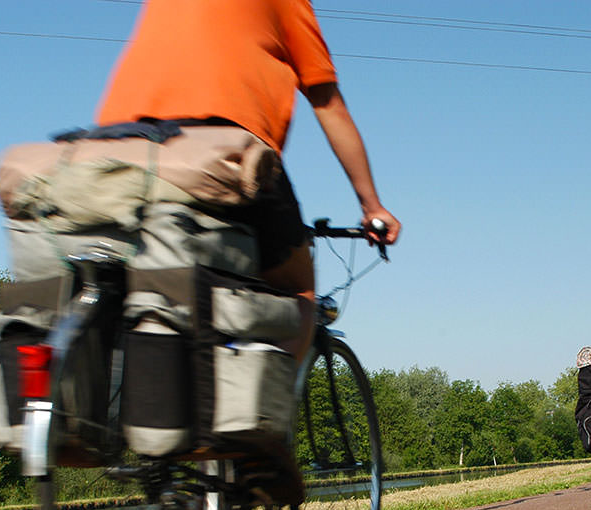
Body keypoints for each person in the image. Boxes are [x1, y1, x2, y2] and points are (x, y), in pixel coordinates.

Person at [95, 0, 401, 361]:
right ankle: (268, 413)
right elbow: (328, 104)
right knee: (298, 290)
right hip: (221, 144)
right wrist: (372, 206)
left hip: (117, 144)